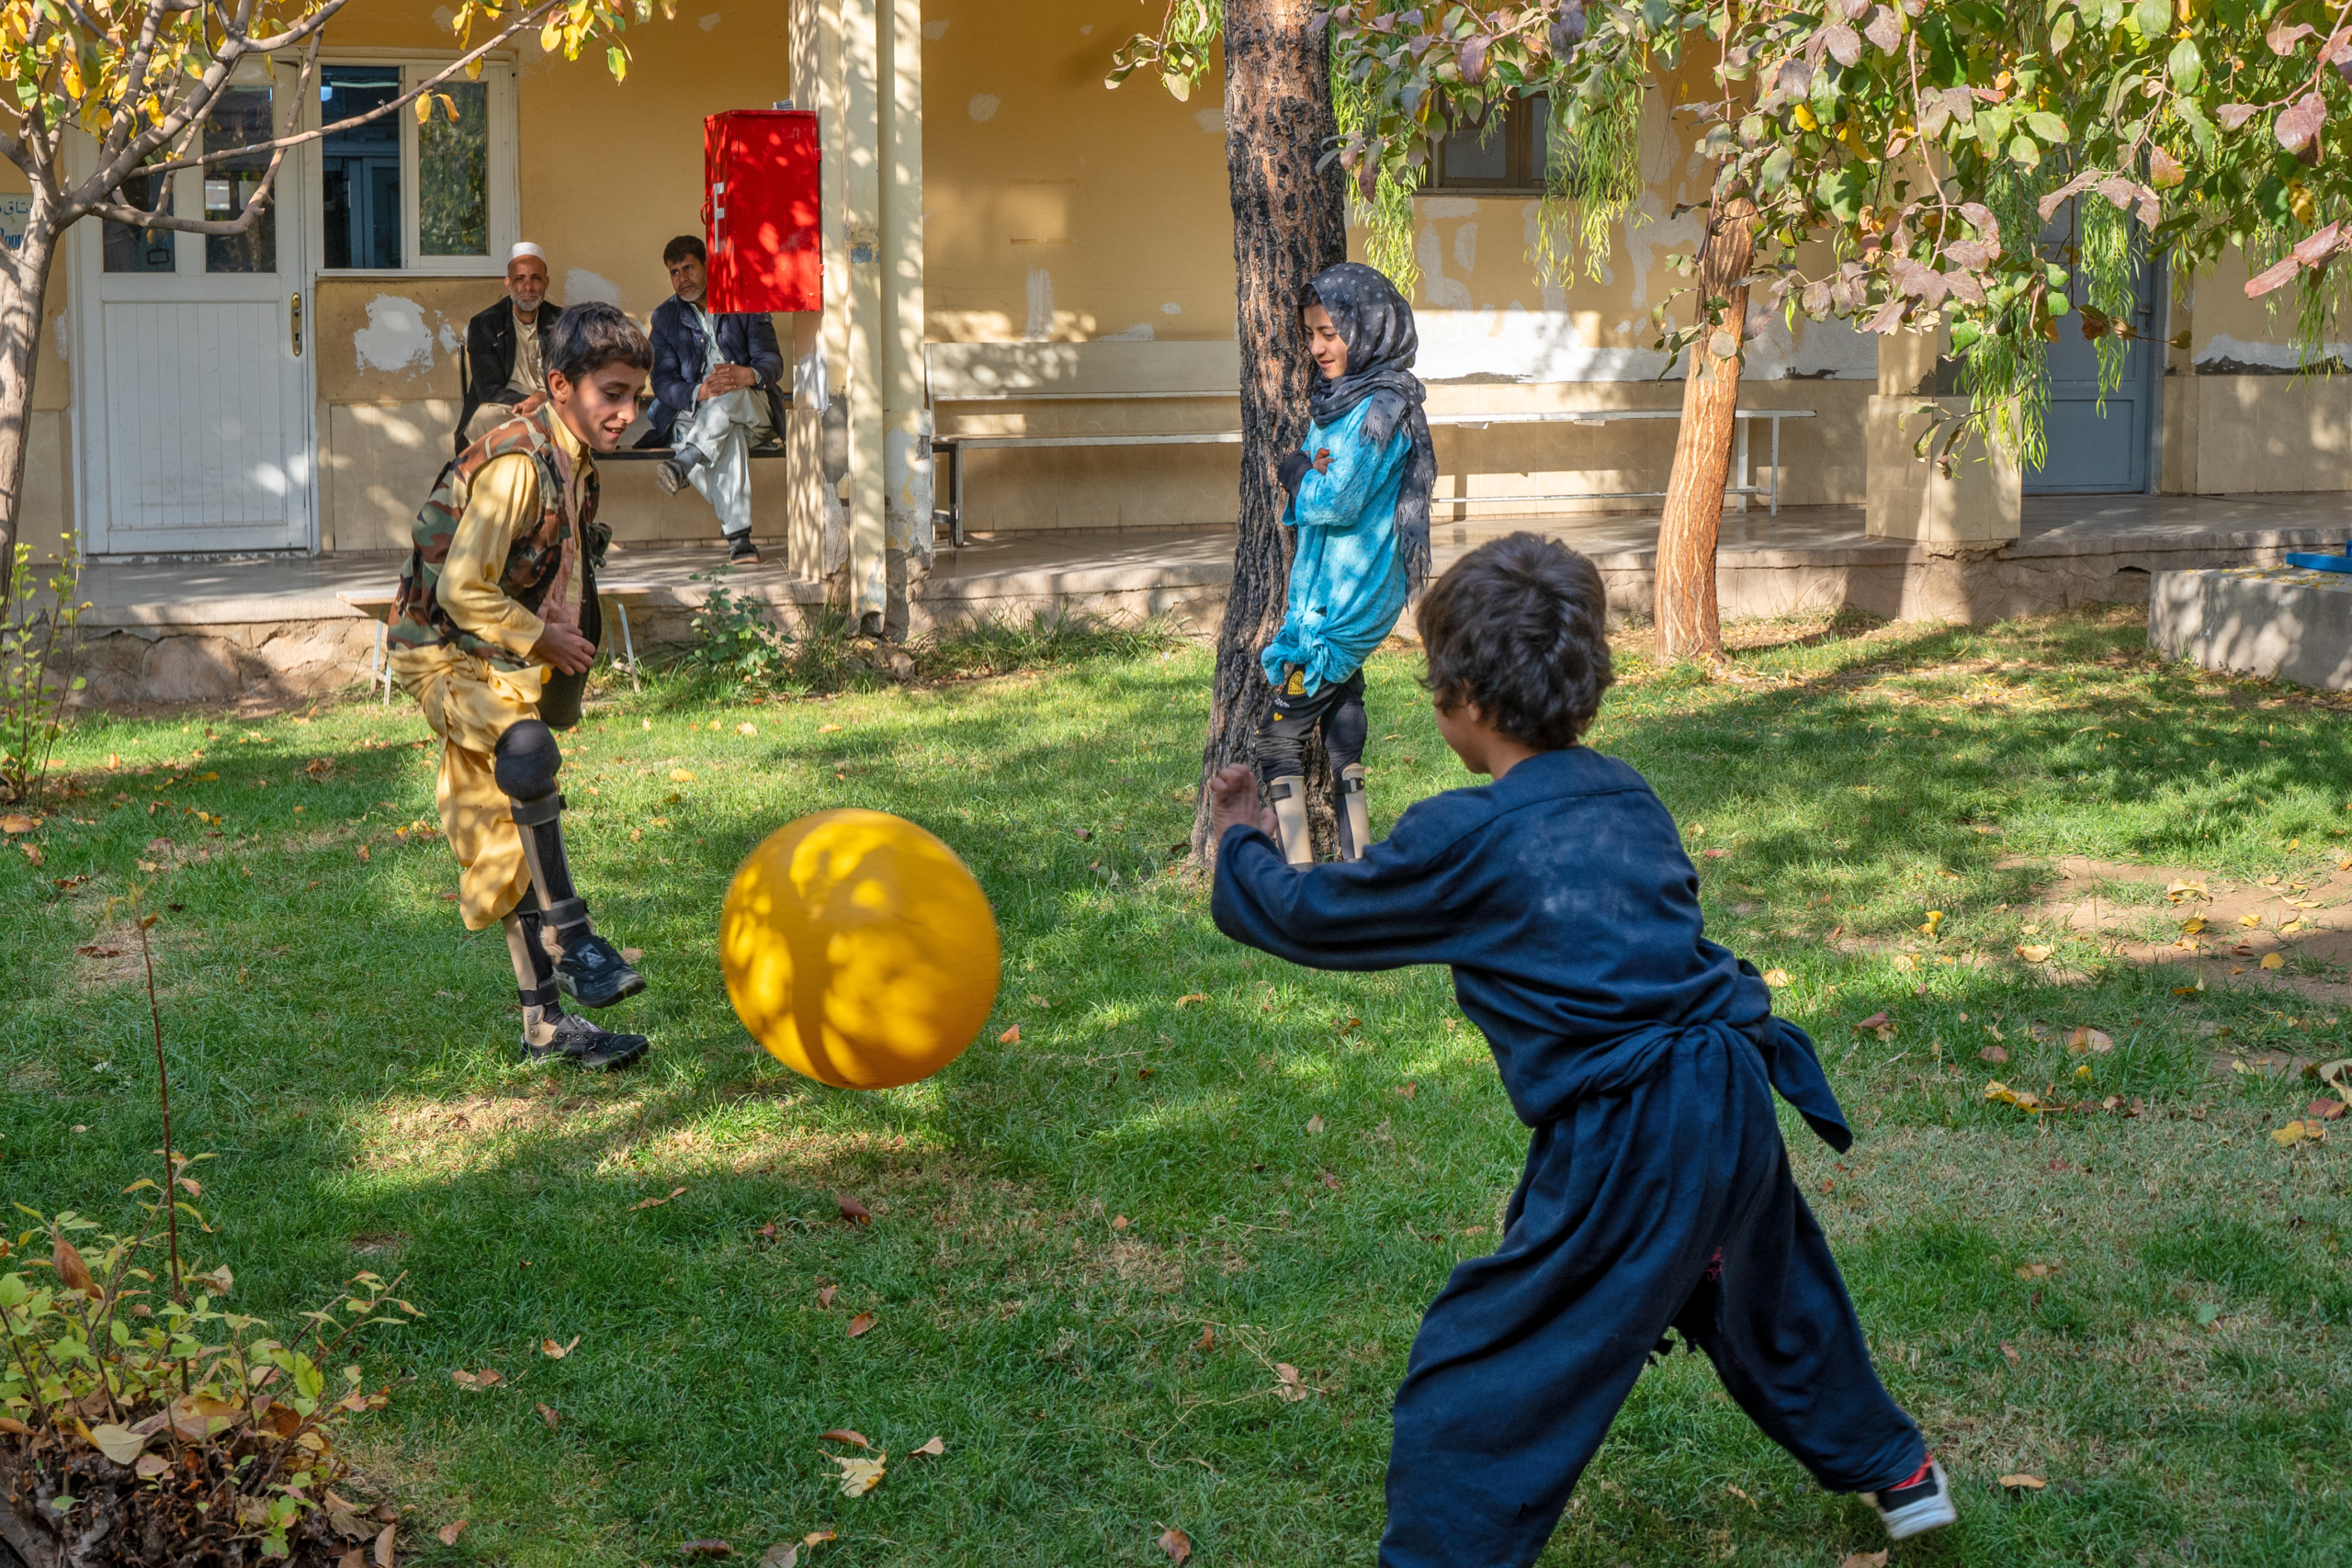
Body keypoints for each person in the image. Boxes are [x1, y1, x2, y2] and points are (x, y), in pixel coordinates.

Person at [1205, 533, 1956, 1566]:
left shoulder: (1462, 837)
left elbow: (1312, 917)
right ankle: (1896, 1468)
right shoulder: (1628, 794)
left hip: (1634, 1123)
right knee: (1760, 1293)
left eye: (1430, 683)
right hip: (1730, 1090)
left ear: (1460, 694)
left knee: (1487, 1361)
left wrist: (1242, 840)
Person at [389, 302, 655, 1071]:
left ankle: (546, 1026)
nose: (626, 412)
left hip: (497, 658)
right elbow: (463, 587)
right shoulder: (518, 465)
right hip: (441, 652)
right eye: (611, 394)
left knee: (508, 843)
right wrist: (544, 637)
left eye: (635, 396)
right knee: (526, 751)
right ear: (562, 385)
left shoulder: (569, 454)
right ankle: (574, 936)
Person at [1256, 261, 1437, 866]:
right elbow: (1320, 499)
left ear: (1370, 327)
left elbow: (1335, 498)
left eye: (1331, 333)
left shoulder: (1379, 411)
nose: (1318, 347)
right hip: (1330, 596)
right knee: (1342, 725)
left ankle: (1302, 878)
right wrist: (1310, 477)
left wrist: (1300, 472)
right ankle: (1361, 868)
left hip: (1344, 604)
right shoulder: (1342, 403)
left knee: (1279, 740)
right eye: (1311, 334)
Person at [645, 233, 786, 564]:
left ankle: (684, 461)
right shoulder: (664, 318)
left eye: (689, 268)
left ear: (710, 267)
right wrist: (699, 392)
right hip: (699, 415)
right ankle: (740, 540)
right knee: (726, 431)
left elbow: (772, 361)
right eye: (675, 272)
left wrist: (747, 375)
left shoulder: (745, 301)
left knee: (729, 397)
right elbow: (662, 381)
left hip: (752, 410)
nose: (682, 279)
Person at [458, 242, 560, 451]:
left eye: (536, 278)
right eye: (520, 279)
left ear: (546, 283)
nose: (528, 287)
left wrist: (544, 398)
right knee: (485, 417)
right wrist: (530, 401)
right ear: (508, 283)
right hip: (507, 408)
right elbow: (489, 390)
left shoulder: (563, 323)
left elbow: (575, 377)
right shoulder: (485, 325)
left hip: (553, 406)